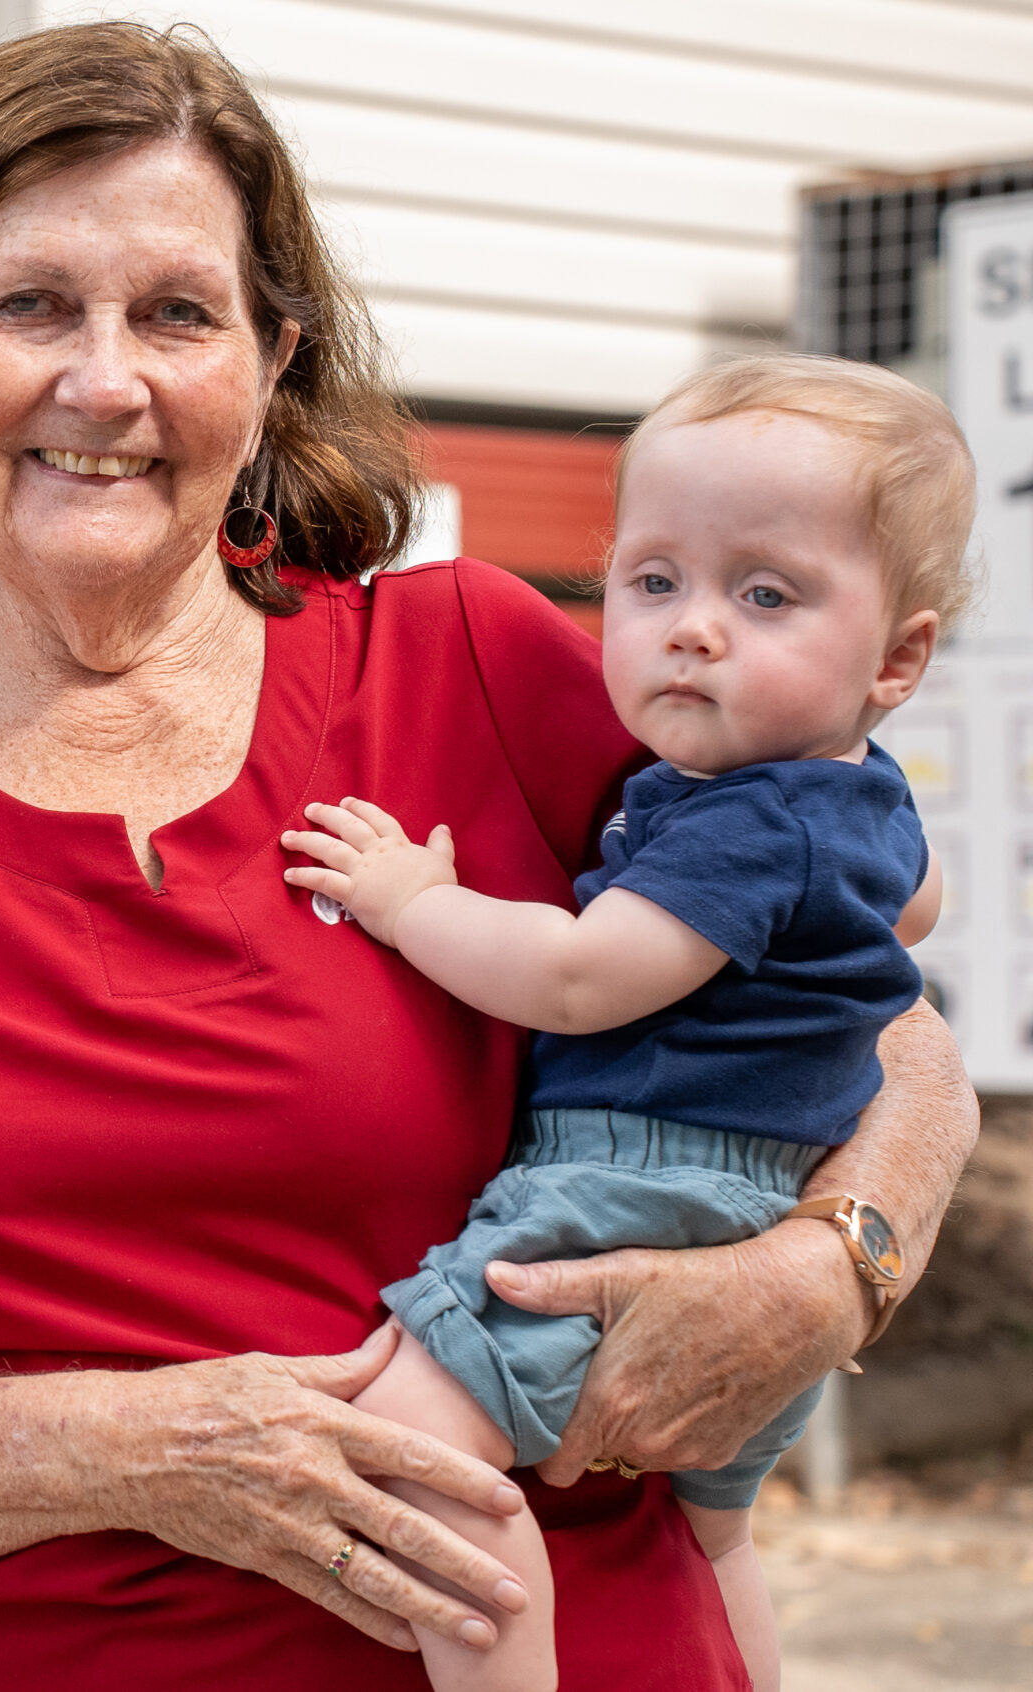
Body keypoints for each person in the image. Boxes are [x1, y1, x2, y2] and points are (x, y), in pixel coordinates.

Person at [0, 23, 978, 1690]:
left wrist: (829, 1269)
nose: (106, 380)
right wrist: (146, 1445)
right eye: (31, 306)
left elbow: (882, 1022)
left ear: (272, 358)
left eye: (177, 312)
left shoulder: (482, 671)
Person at [280, 355, 969, 1692]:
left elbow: (583, 980)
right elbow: (917, 911)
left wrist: (412, 899)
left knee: (412, 1466)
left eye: (765, 596)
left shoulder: (752, 824)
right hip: (761, 1208)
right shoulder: (853, 791)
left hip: (633, 1194)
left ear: (898, 658)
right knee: (715, 1544)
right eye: (654, 582)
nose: (694, 628)